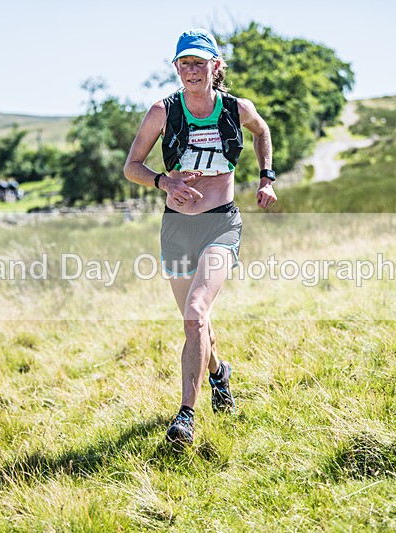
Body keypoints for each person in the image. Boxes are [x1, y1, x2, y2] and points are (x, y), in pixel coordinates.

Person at [124, 28, 277, 446]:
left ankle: (185, 418)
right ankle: (218, 372)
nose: (191, 70)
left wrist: (266, 178)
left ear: (216, 66)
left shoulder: (236, 108)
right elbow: (131, 166)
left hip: (220, 224)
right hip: (176, 227)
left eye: (199, 62)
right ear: (176, 68)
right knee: (197, 324)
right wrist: (163, 182)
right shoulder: (162, 111)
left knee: (195, 310)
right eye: (183, 63)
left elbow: (262, 132)